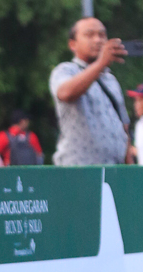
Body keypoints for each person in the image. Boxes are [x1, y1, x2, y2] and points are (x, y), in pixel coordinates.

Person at [49, 17, 133, 165]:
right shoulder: (65, 70)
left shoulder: (110, 79)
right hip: (78, 171)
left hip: (113, 170)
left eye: (102, 35)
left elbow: (123, 128)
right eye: (89, 35)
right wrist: (101, 64)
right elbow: (65, 93)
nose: (98, 40)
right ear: (72, 44)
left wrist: (130, 168)